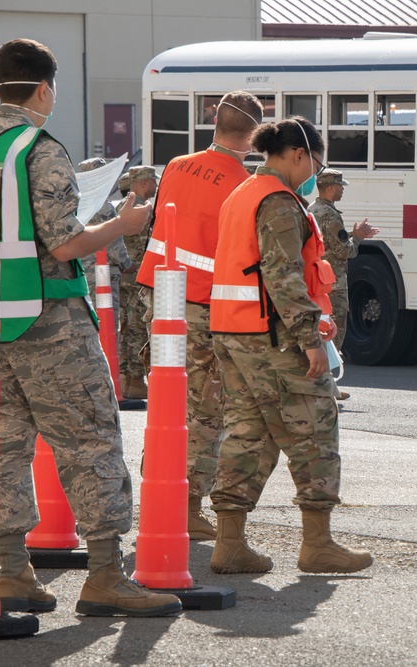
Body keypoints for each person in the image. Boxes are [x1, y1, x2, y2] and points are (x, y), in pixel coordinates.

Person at [0, 38, 181, 616]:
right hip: (50, 319)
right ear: (43, 88)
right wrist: (121, 224)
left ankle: (12, 572)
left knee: (3, 448)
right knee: (90, 441)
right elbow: (65, 241)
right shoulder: (39, 147)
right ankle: (106, 574)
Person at [208, 116, 371, 575]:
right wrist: (309, 338)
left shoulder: (242, 193)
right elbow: (282, 276)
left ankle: (229, 544)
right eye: (317, 163)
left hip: (234, 333)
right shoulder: (279, 202)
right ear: (299, 154)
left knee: (247, 434)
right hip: (273, 339)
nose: (316, 172)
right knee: (316, 431)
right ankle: (317, 544)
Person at [136, 91, 264, 541]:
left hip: (161, 295)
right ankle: (185, 503)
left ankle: (156, 493)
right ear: (253, 135)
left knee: (167, 401)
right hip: (203, 304)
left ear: (216, 123)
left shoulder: (175, 164)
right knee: (205, 407)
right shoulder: (242, 183)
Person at [309, 167, 379, 400]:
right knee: (333, 334)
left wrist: (351, 232)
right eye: (340, 186)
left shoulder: (312, 210)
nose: (342, 190)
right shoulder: (330, 215)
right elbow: (345, 251)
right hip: (334, 285)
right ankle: (325, 387)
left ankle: (324, 385)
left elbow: (326, 243)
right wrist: (357, 237)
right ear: (330, 187)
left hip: (317, 282)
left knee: (320, 333)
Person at [77, 157, 131, 340]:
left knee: (88, 323)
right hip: (102, 274)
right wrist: (127, 263)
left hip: (83, 271)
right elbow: (113, 241)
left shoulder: (77, 202)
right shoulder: (101, 203)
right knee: (107, 323)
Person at [117, 165, 158, 399]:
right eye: (153, 182)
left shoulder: (122, 208)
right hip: (138, 280)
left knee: (125, 329)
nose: (155, 186)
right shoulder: (143, 209)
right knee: (138, 330)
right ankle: (134, 379)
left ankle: (126, 378)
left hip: (124, 277)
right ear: (144, 183)